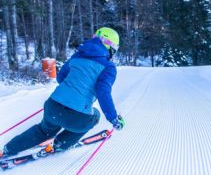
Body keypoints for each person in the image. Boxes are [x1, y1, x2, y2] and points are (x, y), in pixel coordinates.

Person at [0, 27, 125, 159]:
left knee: (42, 131)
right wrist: (113, 118)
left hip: (53, 105)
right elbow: (103, 92)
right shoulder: (109, 67)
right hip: (77, 116)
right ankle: (59, 144)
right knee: (95, 115)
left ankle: (8, 149)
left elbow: (60, 78)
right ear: (109, 46)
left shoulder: (77, 56)